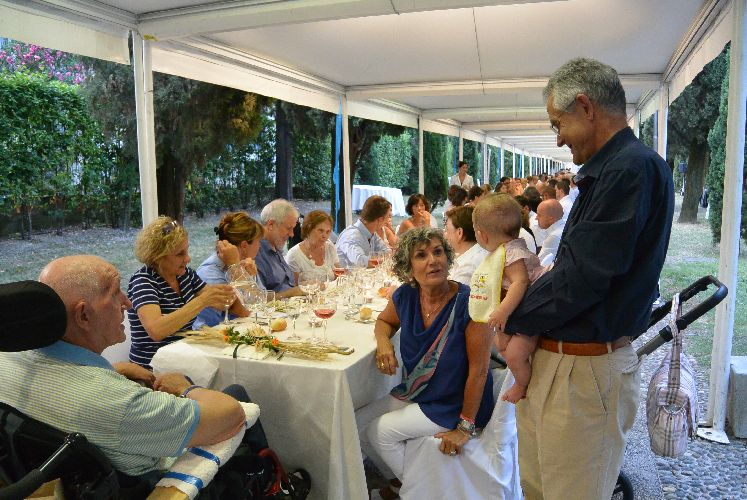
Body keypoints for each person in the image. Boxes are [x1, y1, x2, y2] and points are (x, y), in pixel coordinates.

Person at [504, 58, 674, 499]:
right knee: (539, 489)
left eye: (558, 123)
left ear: (585, 106)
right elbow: (574, 267)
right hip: (566, 364)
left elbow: (582, 279)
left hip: (584, 370)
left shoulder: (630, 169)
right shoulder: (613, 169)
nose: (557, 137)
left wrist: (512, 317)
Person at [0, 255, 251, 479]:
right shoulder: (117, 401)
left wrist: (113, 369)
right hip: (157, 483)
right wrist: (185, 389)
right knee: (235, 393)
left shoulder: (7, 359)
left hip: (63, 478)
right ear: (83, 315)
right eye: (115, 292)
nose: (128, 302)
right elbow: (232, 415)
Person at [356, 228, 494, 499]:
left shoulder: (470, 303)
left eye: (438, 252)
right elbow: (384, 321)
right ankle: (405, 484)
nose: (433, 260)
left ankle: (423, 492)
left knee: (380, 432)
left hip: (456, 402)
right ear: (408, 268)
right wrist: (383, 342)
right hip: (421, 391)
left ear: (448, 258)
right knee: (358, 423)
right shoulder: (406, 296)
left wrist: (464, 428)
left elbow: (479, 371)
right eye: (421, 255)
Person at [128, 216, 237, 367]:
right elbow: (157, 330)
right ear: (158, 257)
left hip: (181, 358)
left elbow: (225, 303)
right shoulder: (143, 281)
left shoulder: (185, 275)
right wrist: (201, 301)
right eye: (180, 254)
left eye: (187, 251)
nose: (188, 258)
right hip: (152, 367)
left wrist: (238, 271)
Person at [467, 194, 544, 405]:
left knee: (514, 354)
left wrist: (502, 311)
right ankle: (519, 376)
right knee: (501, 344)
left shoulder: (511, 253)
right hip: (516, 313)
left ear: (481, 235)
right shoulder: (502, 251)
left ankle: (521, 384)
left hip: (529, 314)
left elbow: (520, 282)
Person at [194, 211, 264, 328]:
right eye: (258, 242)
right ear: (244, 245)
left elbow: (261, 301)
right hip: (213, 334)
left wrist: (252, 276)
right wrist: (235, 267)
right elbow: (244, 312)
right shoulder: (209, 272)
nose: (260, 246)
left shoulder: (246, 264)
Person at [255, 199, 305, 297]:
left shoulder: (275, 245)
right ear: (271, 225)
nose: (292, 234)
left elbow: (289, 284)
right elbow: (259, 298)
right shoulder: (256, 253)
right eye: (289, 228)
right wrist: (293, 292)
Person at [336, 195, 392, 268]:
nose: (388, 220)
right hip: (348, 275)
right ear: (380, 219)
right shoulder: (351, 235)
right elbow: (360, 261)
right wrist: (378, 258)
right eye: (388, 217)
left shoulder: (372, 233)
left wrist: (376, 258)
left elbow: (387, 252)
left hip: (365, 274)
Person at [285, 210, 339, 281]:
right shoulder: (294, 256)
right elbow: (292, 286)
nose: (324, 236)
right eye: (321, 231)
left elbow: (339, 276)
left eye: (328, 232)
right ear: (308, 230)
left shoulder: (330, 247)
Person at [443, 205, 488, 285]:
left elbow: (453, 292)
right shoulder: (475, 253)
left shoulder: (469, 266)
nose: (444, 235)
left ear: (459, 233)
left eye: (447, 230)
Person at [535, 199, 565, 265]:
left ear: (551, 218)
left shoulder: (554, 237)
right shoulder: (563, 227)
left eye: (539, 215)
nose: (536, 218)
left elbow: (539, 265)